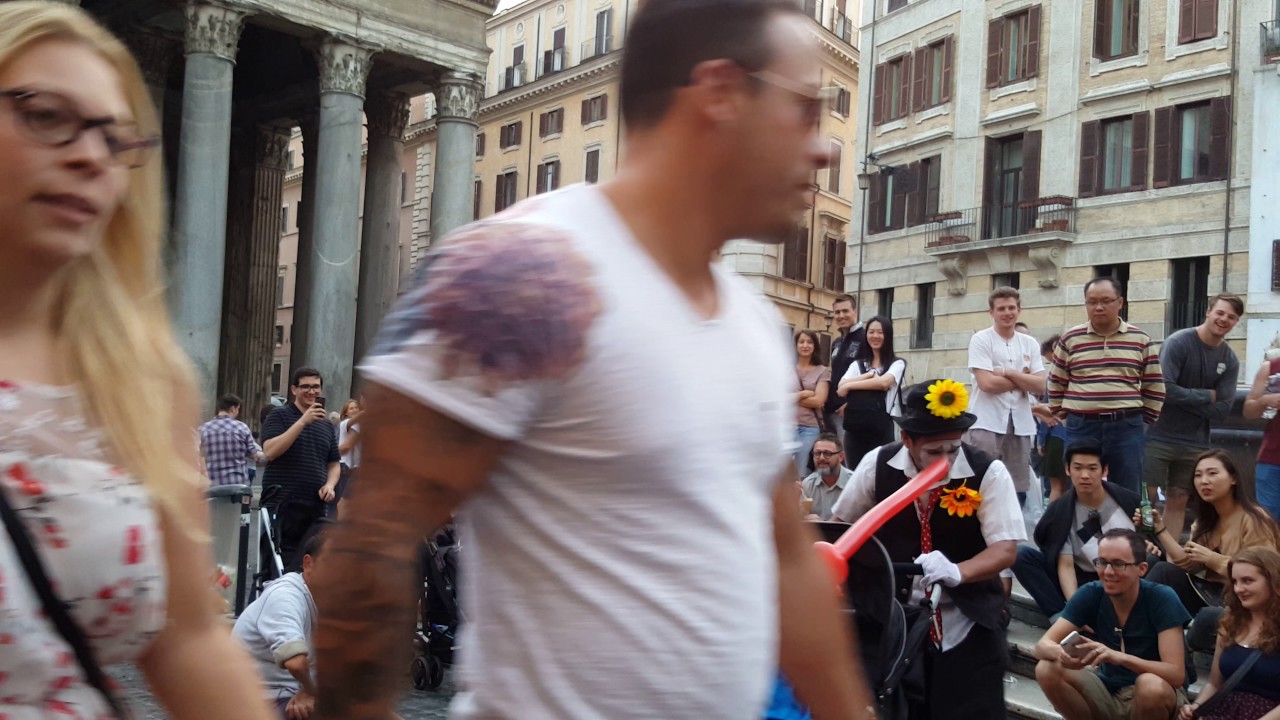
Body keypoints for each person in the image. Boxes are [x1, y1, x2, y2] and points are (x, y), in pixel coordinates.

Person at [310, 2, 877, 718]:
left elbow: (788, 563)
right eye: (805, 110)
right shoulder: (520, 273)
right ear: (722, 94)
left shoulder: (754, 323)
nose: (825, 149)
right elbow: (373, 549)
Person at [0, 3, 272, 717]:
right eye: (47, 116)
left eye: (114, 138)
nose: (91, 157)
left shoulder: (139, 377)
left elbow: (190, 642)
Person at [831, 379, 1023, 720]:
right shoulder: (878, 463)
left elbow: (1005, 548)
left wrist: (958, 571)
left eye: (953, 449)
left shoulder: (988, 472)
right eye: (934, 452)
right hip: (895, 622)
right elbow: (842, 525)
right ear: (907, 440)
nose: (945, 461)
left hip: (967, 620)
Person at [1034, 529, 1191, 720]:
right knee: (1046, 668)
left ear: (1142, 569)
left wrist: (1120, 658)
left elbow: (1175, 674)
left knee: (1149, 686)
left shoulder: (1162, 598)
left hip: (1154, 693)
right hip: (1107, 689)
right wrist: (1064, 654)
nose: (1107, 572)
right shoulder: (1091, 593)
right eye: (1102, 562)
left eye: (1118, 564)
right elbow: (1042, 646)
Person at [1143, 450, 1280, 651]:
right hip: (1209, 593)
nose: (1204, 481)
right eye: (1198, 475)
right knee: (1163, 570)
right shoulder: (1205, 520)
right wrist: (1159, 530)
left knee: (1208, 618)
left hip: (1242, 599)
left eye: (1212, 473)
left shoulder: (1254, 519)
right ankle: (1135, 633)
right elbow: (1189, 565)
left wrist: (1212, 558)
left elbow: (1264, 574)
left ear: (1233, 478)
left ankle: (1177, 653)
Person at [1048, 277, 1165, 495]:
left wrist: (1143, 421)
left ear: (1120, 302)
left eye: (1105, 301)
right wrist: (1066, 417)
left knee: (1127, 491)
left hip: (1126, 427)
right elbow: (1056, 383)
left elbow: (1154, 385)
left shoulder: (1140, 339)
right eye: (1092, 302)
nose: (1098, 307)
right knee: (1081, 490)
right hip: (1082, 426)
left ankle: (1125, 520)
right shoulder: (1070, 339)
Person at [1144, 294, 1243, 543]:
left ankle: (1168, 556)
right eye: (1220, 313)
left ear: (1236, 322)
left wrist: (1184, 398)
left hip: (1196, 442)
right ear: (1208, 312)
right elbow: (1164, 390)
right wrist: (1207, 395)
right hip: (1157, 435)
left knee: (1179, 499)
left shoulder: (1230, 360)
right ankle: (1138, 552)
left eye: (1232, 317)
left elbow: (1222, 410)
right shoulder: (1178, 342)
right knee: (1146, 497)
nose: (1224, 319)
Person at [1014, 442, 1139, 619]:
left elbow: (1148, 542)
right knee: (1021, 555)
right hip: (1084, 579)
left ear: (1104, 471)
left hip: (1124, 576)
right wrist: (1075, 612)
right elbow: (1065, 565)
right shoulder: (1060, 511)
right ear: (1068, 469)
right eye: (1078, 468)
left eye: (1092, 468)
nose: (1084, 475)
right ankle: (1059, 615)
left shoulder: (1127, 500)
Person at [234, 524, 329, 719]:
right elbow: (295, 663)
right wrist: (310, 691)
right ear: (308, 564)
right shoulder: (285, 596)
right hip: (256, 697)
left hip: (291, 691)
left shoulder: (336, 602)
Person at [1180, 547, 1280, 720]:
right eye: (1235, 581)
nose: (1238, 588)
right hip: (1224, 712)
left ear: (1273, 581)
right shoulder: (1230, 623)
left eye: (1247, 581)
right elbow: (1214, 684)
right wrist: (1196, 706)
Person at [966, 287, 1045, 506]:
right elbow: (987, 384)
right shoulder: (981, 339)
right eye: (1001, 309)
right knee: (980, 482)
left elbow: (1040, 385)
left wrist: (1008, 373)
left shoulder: (1029, 343)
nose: (1007, 313)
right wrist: (1024, 378)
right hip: (986, 422)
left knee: (1017, 488)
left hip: (1020, 424)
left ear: (1019, 310)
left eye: (1011, 308)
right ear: (991, 312)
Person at [261, 368, 340, 570]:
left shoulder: (326, 425)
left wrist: (330, 485)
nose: (311, 391)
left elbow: (333, 463)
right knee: (277, 566)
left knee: (310, 564)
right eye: (305, 386)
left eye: (315, 387)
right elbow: (270, 451)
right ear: (294, 390)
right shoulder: (279, 415)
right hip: (282, 504)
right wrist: (302, 422)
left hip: (315, 506)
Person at [836, 315, 905, 469]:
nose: (875, 336)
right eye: (871, 332)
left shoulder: (897, 363)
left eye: (880, 332)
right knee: (855, 472)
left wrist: (850, 385)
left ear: (888, 335)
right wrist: (868, 376)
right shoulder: (857, 364)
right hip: (855, 430)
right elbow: (840, 389)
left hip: (881, 428)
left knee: (880, 472)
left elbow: (883, 383)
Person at [1242, 350, 1280, 523]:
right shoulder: (1270, 368)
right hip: (1273, 458)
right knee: (1266, 522)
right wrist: (1266, 400)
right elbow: (1249, 411)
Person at [200, 393, 267, 487]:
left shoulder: (203, 429)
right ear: (233, 409)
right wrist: (267, 455)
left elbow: (198, 455)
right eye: (238, 409)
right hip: (237, 483)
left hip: (212, 484)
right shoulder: (242, 428)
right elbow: (253, 454)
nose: (238, 412)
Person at [823, 294, 864, 441]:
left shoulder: (866, 339)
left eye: (845, 311)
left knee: (846, 453)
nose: (841, 316)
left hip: (849, 412)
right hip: (830, 411)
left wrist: (851, 404)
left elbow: (872, 374)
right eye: (837, 312)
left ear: (855, 312)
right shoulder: (837, 342)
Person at [1035, 334, 1069, 502]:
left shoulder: (1055, 379)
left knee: (1056, 487)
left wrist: (1041, 441)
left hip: (1057, 435)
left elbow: (1048, 412)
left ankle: (1054, 517)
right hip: (1076, 434)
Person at [792, 330, 830, 480]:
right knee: (783, 473)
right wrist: (803, 394)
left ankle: (802, 495)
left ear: (815, 346)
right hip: (786, 425)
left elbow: (818, 401)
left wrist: (791, 398)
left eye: (809, 342)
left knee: (802, 473)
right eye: (801, 342)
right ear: (796, 345)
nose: (805, 345)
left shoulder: (823, 371)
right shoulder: (785, 369)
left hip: (809, 428)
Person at [800, 433, 848, 521]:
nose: (821, 458)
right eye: (817, 453)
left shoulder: (854, 483)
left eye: (827, 453)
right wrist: (805, 518)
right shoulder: (808, 484)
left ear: (841, 457)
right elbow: (800, 518)